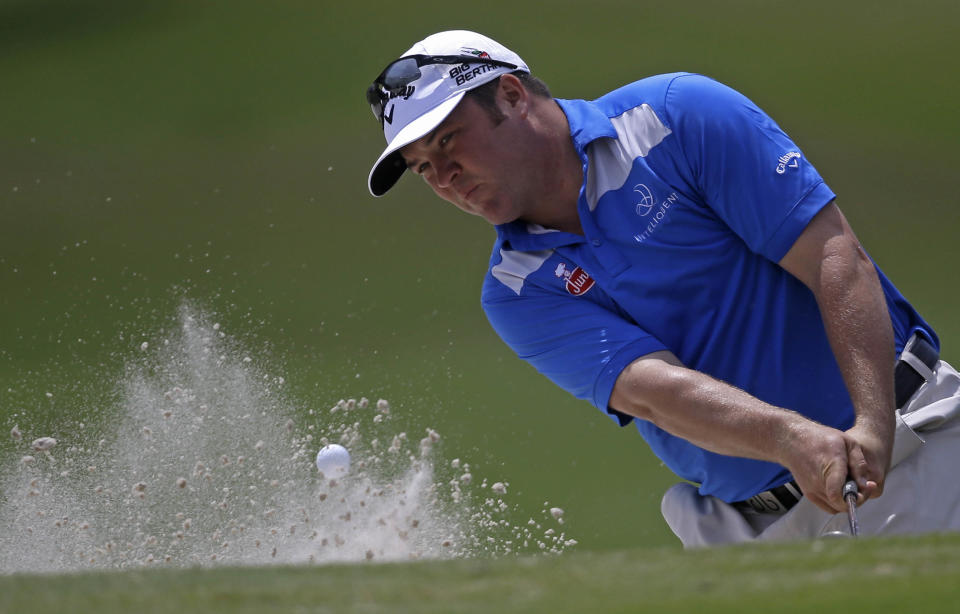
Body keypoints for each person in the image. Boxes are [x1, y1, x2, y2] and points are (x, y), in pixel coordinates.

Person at [364, 30, 960, 546]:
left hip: (911, 450)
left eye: (447, 140)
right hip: (749, 532)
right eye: (421, 167)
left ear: (513, 96)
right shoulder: (515, 289)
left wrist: (873, 427)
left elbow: (834, 258)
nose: (443, 178)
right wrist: (790, 439)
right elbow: (654, 391)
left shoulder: (676, 118)